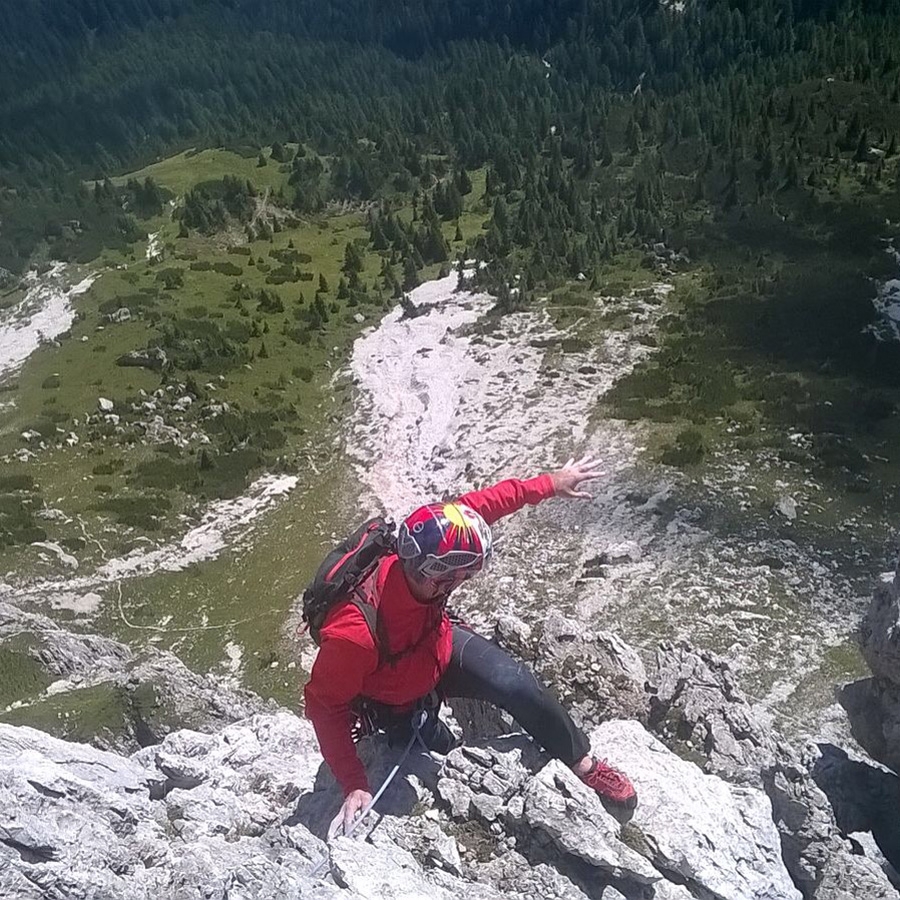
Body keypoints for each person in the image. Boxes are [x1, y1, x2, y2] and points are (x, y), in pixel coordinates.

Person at [304, 454, 638, 834]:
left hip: (438, 647)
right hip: (392, 700)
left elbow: (486, 503)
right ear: (427, 571)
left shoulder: (432, 543)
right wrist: (354, 782)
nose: (460, 581)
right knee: (439, 752)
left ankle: (584, 764)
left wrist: (549, 483)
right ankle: (442, 742)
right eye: (453, 576)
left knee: (513, 682)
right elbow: (325, 705)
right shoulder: (355, 635)